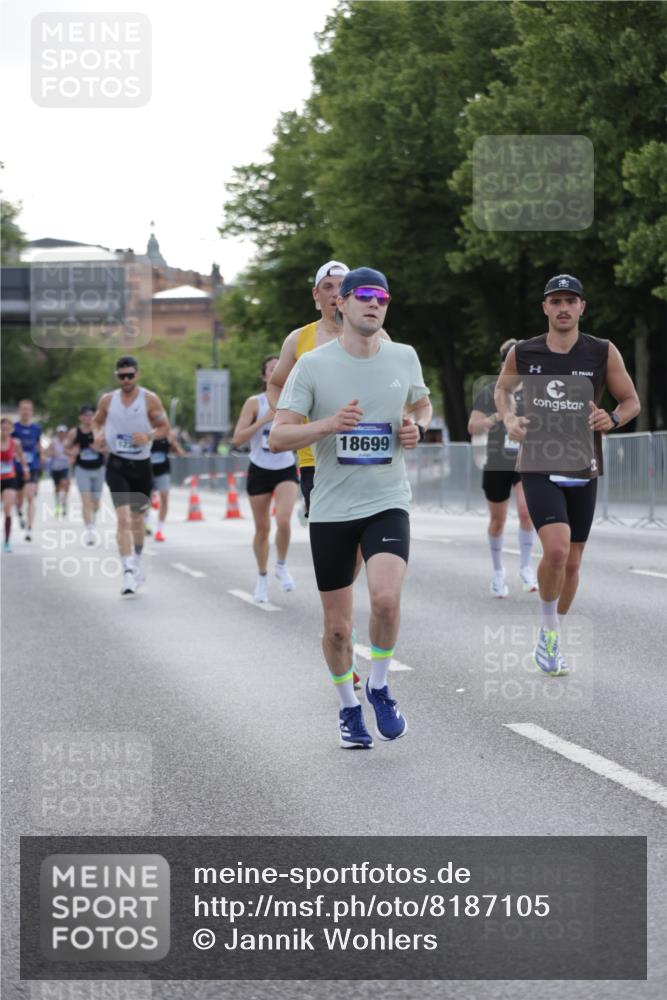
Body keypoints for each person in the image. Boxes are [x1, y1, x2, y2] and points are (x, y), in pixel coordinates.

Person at [270, 267, 432, 748]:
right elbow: (279, 436)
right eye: (363, 295)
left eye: (382, 296)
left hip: (387, 500)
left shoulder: (404, 356)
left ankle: (379, 685)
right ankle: (348, 707)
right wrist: (328, 425)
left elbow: (421, 405)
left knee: (385, 599)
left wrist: (417, 427)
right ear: (340, 303)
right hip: (332, 508)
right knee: (338, 630)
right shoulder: (312, 365)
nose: (374, 302)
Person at [495, 274, 640, 675]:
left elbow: (631, 401)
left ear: (581, 307)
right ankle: (548, 629)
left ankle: (550, 636)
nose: (563, 308)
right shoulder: (524, 352)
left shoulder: (601, 351)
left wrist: (612, 418)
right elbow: (502, 391)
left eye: (570, 301)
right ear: (545, 307)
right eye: (556, 301)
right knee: (556, 551)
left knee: (573, 564)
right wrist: (509, 419)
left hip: (582, 465)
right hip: (538, 463)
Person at [267, 260, 391, 685]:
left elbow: (397, 381)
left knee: (358, 551)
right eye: (329, 286)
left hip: (366, 455)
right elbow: (277, 383)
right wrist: (287, 415)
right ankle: (341, 628)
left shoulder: (375, 333)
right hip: (315, 458)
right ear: (318, 295)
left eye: (344, 286)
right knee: (341, 542)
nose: (338, 293)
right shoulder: (299, 339)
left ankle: (341, 615)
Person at [92, 355, 168, 596]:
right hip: (117, 464)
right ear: (117, 377)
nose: (126, 380)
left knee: (137, 520)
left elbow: (164, 428)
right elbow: (96, 422)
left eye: (130, 375)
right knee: (123, 519)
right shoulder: (108, 400)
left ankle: (136, 559)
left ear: (137, 375)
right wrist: (97, 435)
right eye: (122, 376)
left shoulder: (150, 399)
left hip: (142, 466)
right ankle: (126, 571)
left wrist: (149, 436)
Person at [468, 340, 537, 597]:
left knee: (526, 512)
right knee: (498, 521)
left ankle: (526, 568)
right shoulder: (490, 392)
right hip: (497, 463)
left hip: (524, 461)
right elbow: (473, 426)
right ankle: (498, 573)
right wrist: (499, 416)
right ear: (504, 365)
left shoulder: (533, 391)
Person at [232, 355, 300, 602]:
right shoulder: (255, 402)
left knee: (283, 519)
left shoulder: (296, 400)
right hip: (260, 468)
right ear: (264, 375)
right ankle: (262, 577)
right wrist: (264, 420)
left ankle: (281, 565)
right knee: (262, 529)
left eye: (282, 368)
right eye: (272, 369)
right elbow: (238, 439)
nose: (277, 371)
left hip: (285, 468)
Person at [66, 405, 107, 545]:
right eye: (85, 415)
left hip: (99, 469)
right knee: (86, 500)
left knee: (96, 502)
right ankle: (89, 531)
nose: (88, 418)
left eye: (91, 415)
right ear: (80, 417)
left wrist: (99, 449)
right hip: (82, 470)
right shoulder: (74, 432)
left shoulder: (100, 431)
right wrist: (72, 452)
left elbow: (109, 448)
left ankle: (92, 519)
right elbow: (65, 447)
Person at [12, 399, 44, 542]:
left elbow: (38, 444)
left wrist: (42, 456)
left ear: (32, 411)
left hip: (32, 466)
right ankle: (19, 512)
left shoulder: (36, 428)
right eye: (23, 409)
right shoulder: (14, 428)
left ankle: (29, 528)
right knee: (19, 498)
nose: (25, 412)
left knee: (30, 497)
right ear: (19, 411)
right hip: (16, 467)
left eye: (28, 409)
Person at [147, 429, 186, 541]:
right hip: (147, 470)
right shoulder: (146, 431)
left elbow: (180, 454)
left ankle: (159, 530)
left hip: (163, 471)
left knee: (164, 497)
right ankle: (146, 523)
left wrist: (174, 444)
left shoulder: (167, 434)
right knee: (146, 498)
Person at [1, 418, 30, 552]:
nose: (4, 432)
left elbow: (21, 457)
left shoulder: (15, 442)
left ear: (11, 430)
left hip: (10, 478)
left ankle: (7, 541)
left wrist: (25, 469)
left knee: (8, 508)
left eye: (7, 429)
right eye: (2, 429)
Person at [47, 425, 72, 518]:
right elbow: (48, 453)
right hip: (55, 468)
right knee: (57, 487)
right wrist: (54, 453)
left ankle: (64, 502)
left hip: (65, 467)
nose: (61, 434)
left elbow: (72, 453)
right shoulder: (53, 442)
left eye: (63, 432)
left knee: (65, 484)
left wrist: (67, 453)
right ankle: (57, 504)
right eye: (60, 432)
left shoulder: (68, 442)